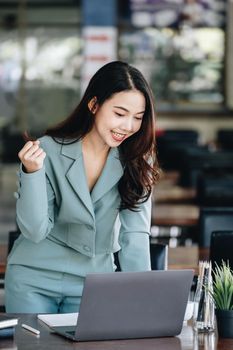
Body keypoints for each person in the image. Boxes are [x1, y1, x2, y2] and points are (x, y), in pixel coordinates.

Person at [5, 61, 160, 313]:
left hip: (95, 282)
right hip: (33, 278)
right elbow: (34, 231)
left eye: (138, 118)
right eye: (120, 114)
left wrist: (141, 299)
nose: (128, 126)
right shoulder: (48, 150)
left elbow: (134, 235)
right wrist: (32, 173)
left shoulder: (138, 157)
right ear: (94, 105)